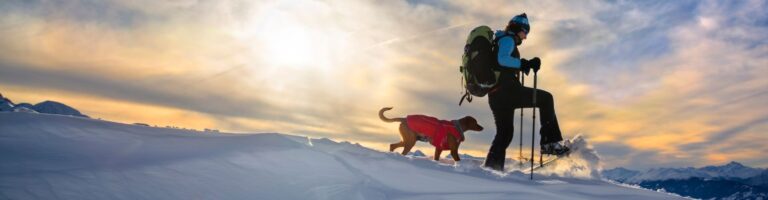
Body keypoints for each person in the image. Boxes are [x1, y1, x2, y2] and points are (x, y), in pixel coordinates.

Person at [483, 13, 570, 171]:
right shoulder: (508, 39)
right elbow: (502, 59)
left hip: (496, 96)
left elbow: (502, 63)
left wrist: (523, 65)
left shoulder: (499, 40)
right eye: (525, 32)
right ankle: (549, 143)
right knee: (545, 98)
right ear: (518, 29)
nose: (525, 37)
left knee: (505, 133)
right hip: (507, 91)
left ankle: (491, 168)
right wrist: (524, 63)